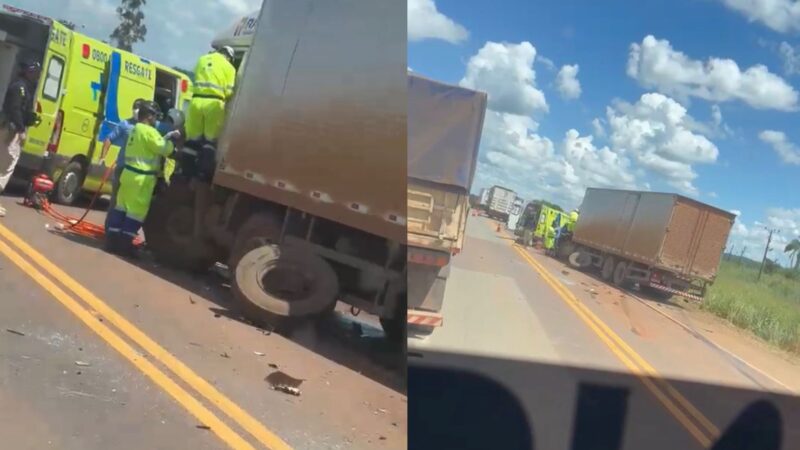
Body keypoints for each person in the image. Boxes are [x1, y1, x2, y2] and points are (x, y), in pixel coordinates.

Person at [105, 101, 181, 257]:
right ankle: (125, 246)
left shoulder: (134, 129)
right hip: (142, 178)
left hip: (127, 175)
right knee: (136, 212)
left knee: (120, 208)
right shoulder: (149, 131)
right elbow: (164, 149)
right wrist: (173, 143)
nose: (155, 120)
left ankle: (112, 242)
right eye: (154, 116)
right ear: (149, 116)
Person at [0, 60, 41, 217]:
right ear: (29, 71)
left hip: (10, 128)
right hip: (10, 131)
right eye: (35, 72)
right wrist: (21, 129)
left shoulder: (23, 87)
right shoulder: (20, 88)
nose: (36, 76)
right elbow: (15, 109)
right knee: (6, 165)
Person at [100, 98, 147, 230]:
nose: (136, 110)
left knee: (130, 203)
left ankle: (123, 230)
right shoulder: (125, 124)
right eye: (135, 107)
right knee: (115, 200)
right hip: (122, 168)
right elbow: (109, 138)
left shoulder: (147, 129)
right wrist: (102, 157)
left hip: (137, 172)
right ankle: (109, 228)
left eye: (139, 107)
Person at [185, 46, 236, 144]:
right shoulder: (230, 68)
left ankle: (188, 157)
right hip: (214, 104)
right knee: (210, 140)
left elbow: (193, 78)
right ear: (229, 57)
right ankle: (205, 158)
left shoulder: (202, 59)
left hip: (196, 101)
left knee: (193, 138)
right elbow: (229, 92)